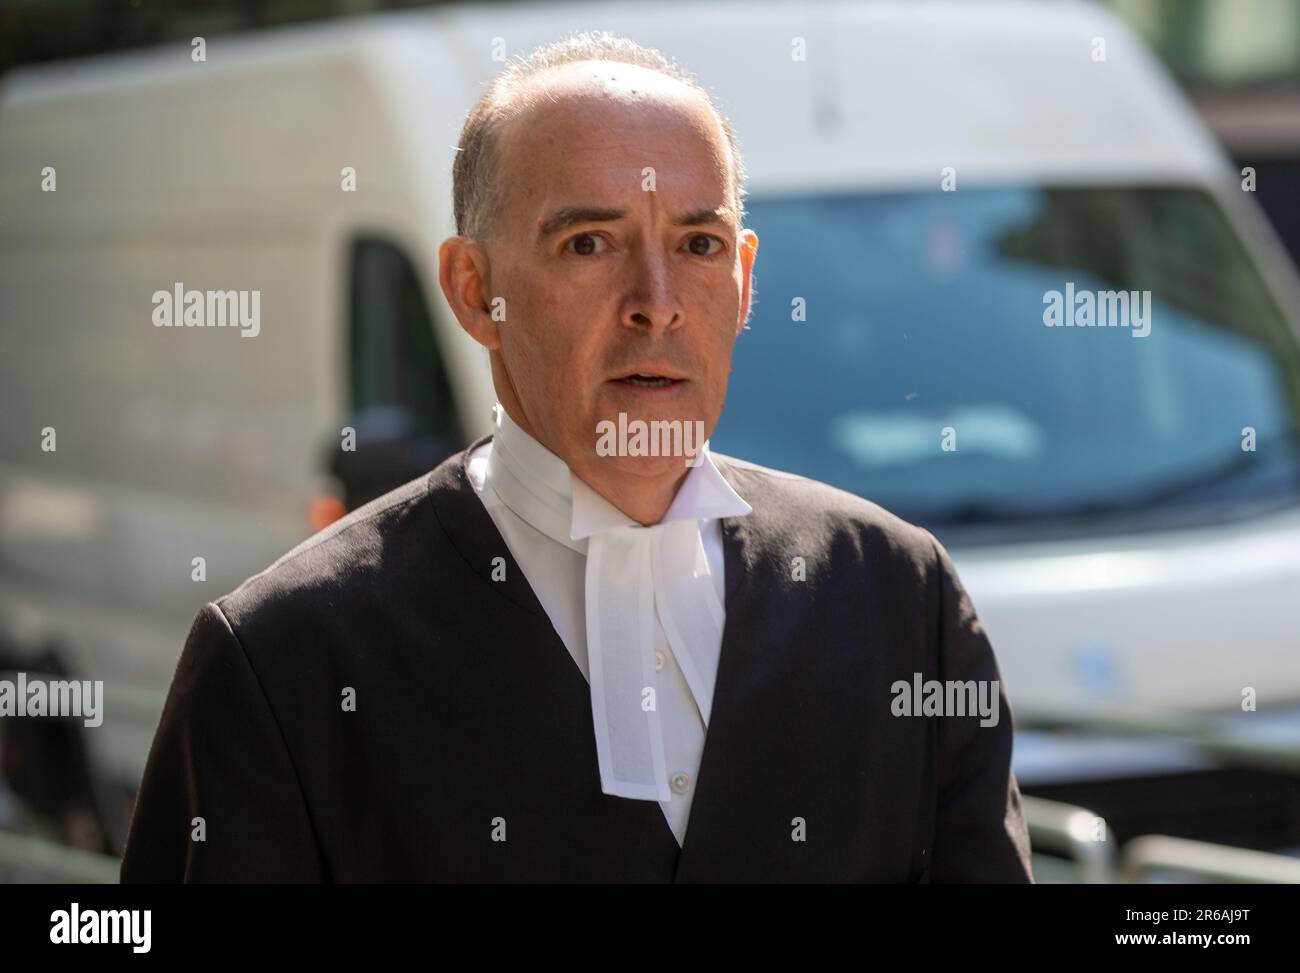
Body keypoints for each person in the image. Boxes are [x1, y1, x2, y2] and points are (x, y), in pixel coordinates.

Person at [121, 31, 1033, 882]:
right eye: (589, 243)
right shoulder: (284, 661)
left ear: (746, 279)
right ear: (475, 292)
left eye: (699, 244)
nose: (658, 302)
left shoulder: (901, 600)